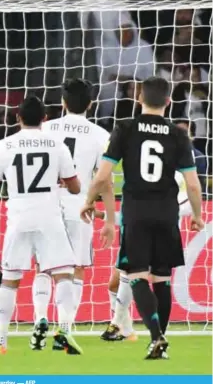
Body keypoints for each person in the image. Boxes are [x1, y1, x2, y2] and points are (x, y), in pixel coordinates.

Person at [81, 76, 204, 360]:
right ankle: (161, 339)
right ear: (169, 102)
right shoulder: (177, 134)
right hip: (166, 211)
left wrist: (89, 202)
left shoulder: (125, 128)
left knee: (136, 276)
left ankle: (156, 336)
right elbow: (193, 184)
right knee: (162, 278)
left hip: (136, 212)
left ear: (139, 98)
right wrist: (197, 216)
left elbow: (102, 176)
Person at [0, 96, 85, 355]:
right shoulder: (57, 144)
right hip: (49, 217)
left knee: (10, 280)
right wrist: (58, 180)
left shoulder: (5, 145)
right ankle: (64, 330)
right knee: (63, 274)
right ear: (45, 119)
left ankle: (0, 342)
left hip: (18, 216)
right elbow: (75, 187)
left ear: (18, 118)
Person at [30, 79, 116, 350]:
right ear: (91, 104)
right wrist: (109, 216)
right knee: (76, 268)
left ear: (63, 103)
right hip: (81, 207)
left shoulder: (45, 128)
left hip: (46, 204)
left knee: (45, 266)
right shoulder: (102, 135)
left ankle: (40, 318)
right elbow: (104, 180)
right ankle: (64, 330)